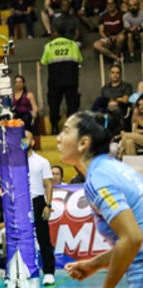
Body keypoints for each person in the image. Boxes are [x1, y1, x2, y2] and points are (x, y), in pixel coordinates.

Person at [59, 111, 143, 287]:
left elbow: (133, 238)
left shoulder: (98, 178)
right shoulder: (115, 168)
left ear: (83, 143)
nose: (59, 138)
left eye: (66, 131)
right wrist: (93, 265)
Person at [26, 129, 56, 284]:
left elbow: (48, 184)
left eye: (26, 138)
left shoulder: (42, 161)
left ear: (32, 142)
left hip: (37, 200)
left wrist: (48, 205)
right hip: (19, 202)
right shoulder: (14, 162)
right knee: (19, 237)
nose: (23, 140)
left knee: (43, 237)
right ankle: (23, 270)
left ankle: (49, 272)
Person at [41, 28, 83, 134]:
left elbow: (43, 61)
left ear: (55, 33)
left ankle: (54, 127)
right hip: (71, 80)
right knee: (72, 105)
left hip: (55, 81)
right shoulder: (73, 44)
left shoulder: (49, 46)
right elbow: (80, 59)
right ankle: (71, 128)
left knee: (54, 105)